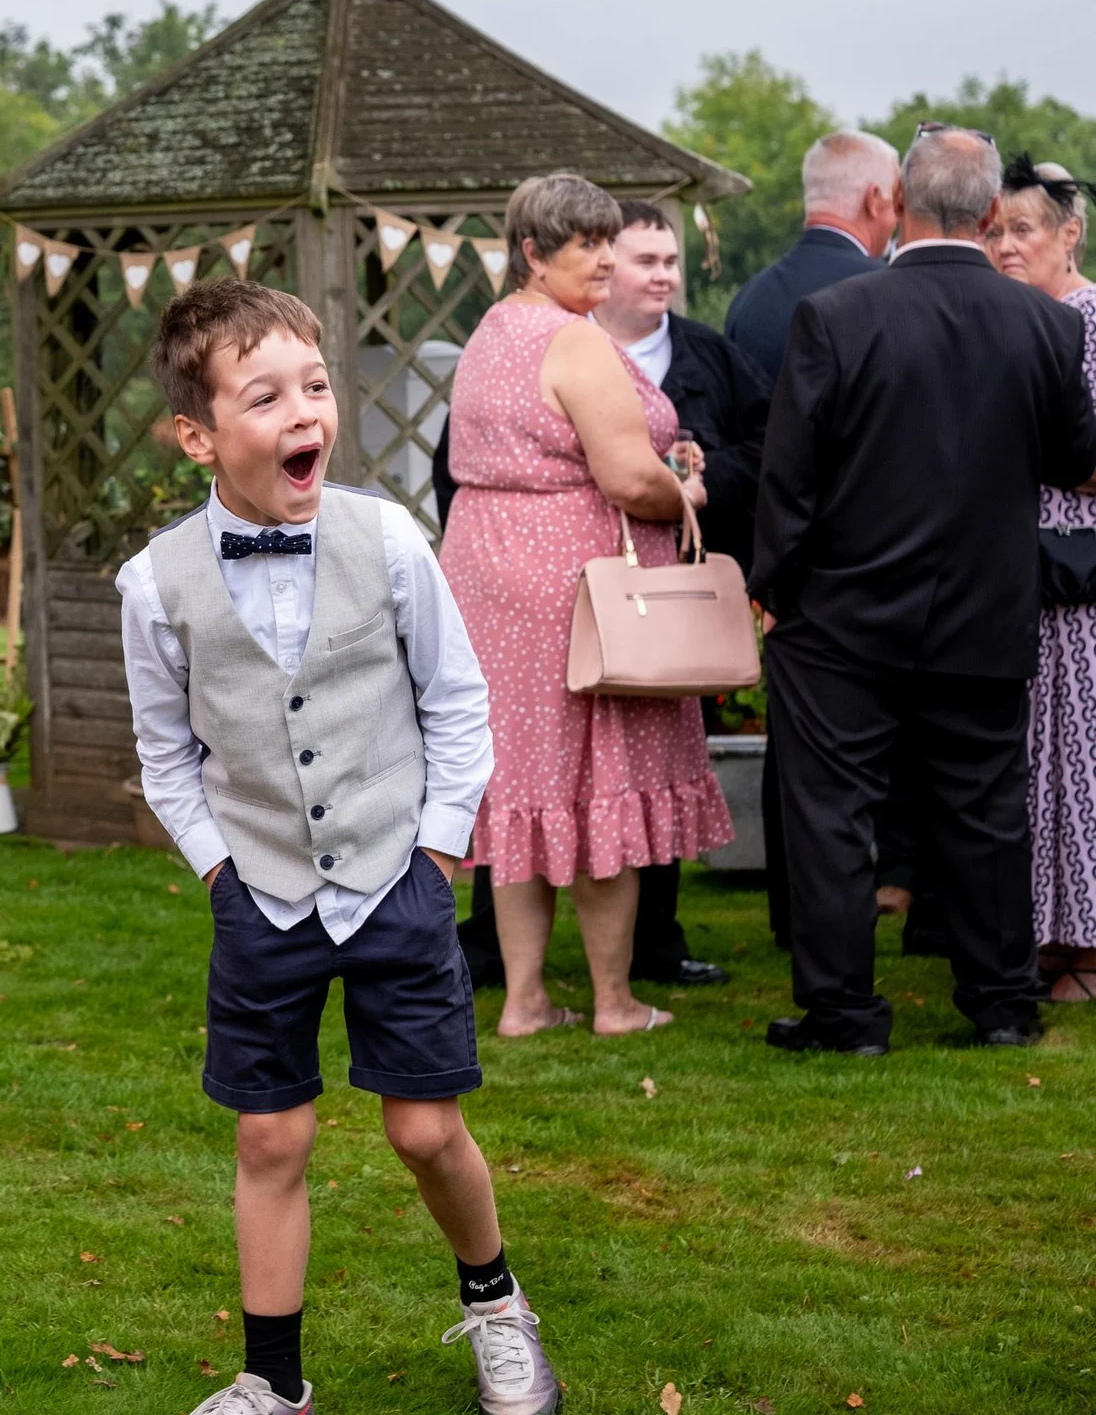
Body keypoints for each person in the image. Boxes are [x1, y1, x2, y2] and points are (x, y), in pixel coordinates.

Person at [124, 278, 560, 1415]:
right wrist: (221, 869)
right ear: (198, 433)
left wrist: (436, 847)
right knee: (270, 1135)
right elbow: (166, 755)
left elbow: (458, 703)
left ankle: (496, 1299)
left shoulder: (386, 535)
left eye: (314, 386)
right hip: (258, 894)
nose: (302, 409)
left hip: (394, 879)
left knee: (423, 1128)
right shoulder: (152, 582)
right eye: (263, 395)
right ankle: (274, 1385)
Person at [754, 125, 1096, 1054]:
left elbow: (791, 479)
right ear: (991, 215)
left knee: (832, 814)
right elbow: (1076, 462)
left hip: (843, 618)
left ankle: (846, 1014)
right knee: (987, 808)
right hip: (986, 607)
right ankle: (999, 1003)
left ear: (900, 202)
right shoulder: (1048, 324)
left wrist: (773, 588)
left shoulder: (835, 315)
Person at [434, 200, 766, 989]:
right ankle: (614, 999)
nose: (608, 261)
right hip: (574, 595)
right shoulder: (574, 338)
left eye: (607, 243)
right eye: (588, 245)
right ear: (532, 253)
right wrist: (681, 486)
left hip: (490, 582)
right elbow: (624, 478)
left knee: (523, 786)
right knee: (597, 790)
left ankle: (522, 998)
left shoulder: (492, 330)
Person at [722, 131, 902, 952]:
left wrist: (766, 573)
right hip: (887, 559)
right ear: (876, 201)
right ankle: (899, 889)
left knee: (801, 758)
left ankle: (799, 919)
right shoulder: (884, 293)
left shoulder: (750, 302)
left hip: (787, 566)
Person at [988, 156, 1096, 1003]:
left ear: (1071, 233)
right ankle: (1047, 937)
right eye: (995, 231)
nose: (1007, 246)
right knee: (1033, 759)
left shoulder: (1091, 319)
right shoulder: (1008, 319)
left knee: (1084, 758)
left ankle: (1087, 949)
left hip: (1086, 581)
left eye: (1023, 229)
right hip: (1019, 574)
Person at [725, 130, 900, 380]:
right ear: (873, 200)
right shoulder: (892, 292)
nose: (897, 218)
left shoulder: (746, 300)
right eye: (896, 203)